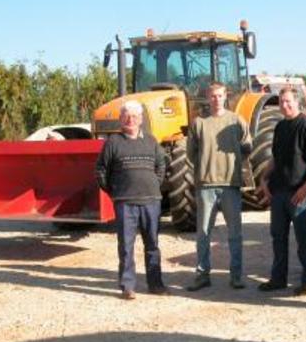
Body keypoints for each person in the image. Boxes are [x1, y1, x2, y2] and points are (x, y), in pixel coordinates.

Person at [257, 86, 306, 296]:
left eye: (288, 101)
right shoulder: (280, 128)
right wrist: (264, 178)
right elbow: (276, 158)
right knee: (278, 238)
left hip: (299, 193)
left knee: (304, 240)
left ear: (297, 103)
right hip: (279, 193)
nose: (285, 105)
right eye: (281, 102)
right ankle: (278, 279)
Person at [95, 99, 168, 300]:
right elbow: (101, 170)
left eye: (135, 116)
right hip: (125, 202)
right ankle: (128, 286)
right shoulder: (113, 143)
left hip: (151, 201)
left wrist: (154, 184)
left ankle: (156, 284)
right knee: (126, 246)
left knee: (152, 244)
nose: (131, 119)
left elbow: (161, 165)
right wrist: (113, 191)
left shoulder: (151, 141)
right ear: (120, 119)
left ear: (141, 119)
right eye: (126, 116)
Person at [186, 82, 253, 291]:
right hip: (205, 185)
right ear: (207, 96)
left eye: (220, 95)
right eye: (213, 96)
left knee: (235, 233)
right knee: (203, 233)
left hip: (230, 185)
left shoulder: (236, 121)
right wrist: (206, 166)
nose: (216, 99)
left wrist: (231, 164)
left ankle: (236, 276)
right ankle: (202, 274)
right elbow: (191, 153)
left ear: (226, 97)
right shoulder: (199, 123)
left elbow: (247, 146)